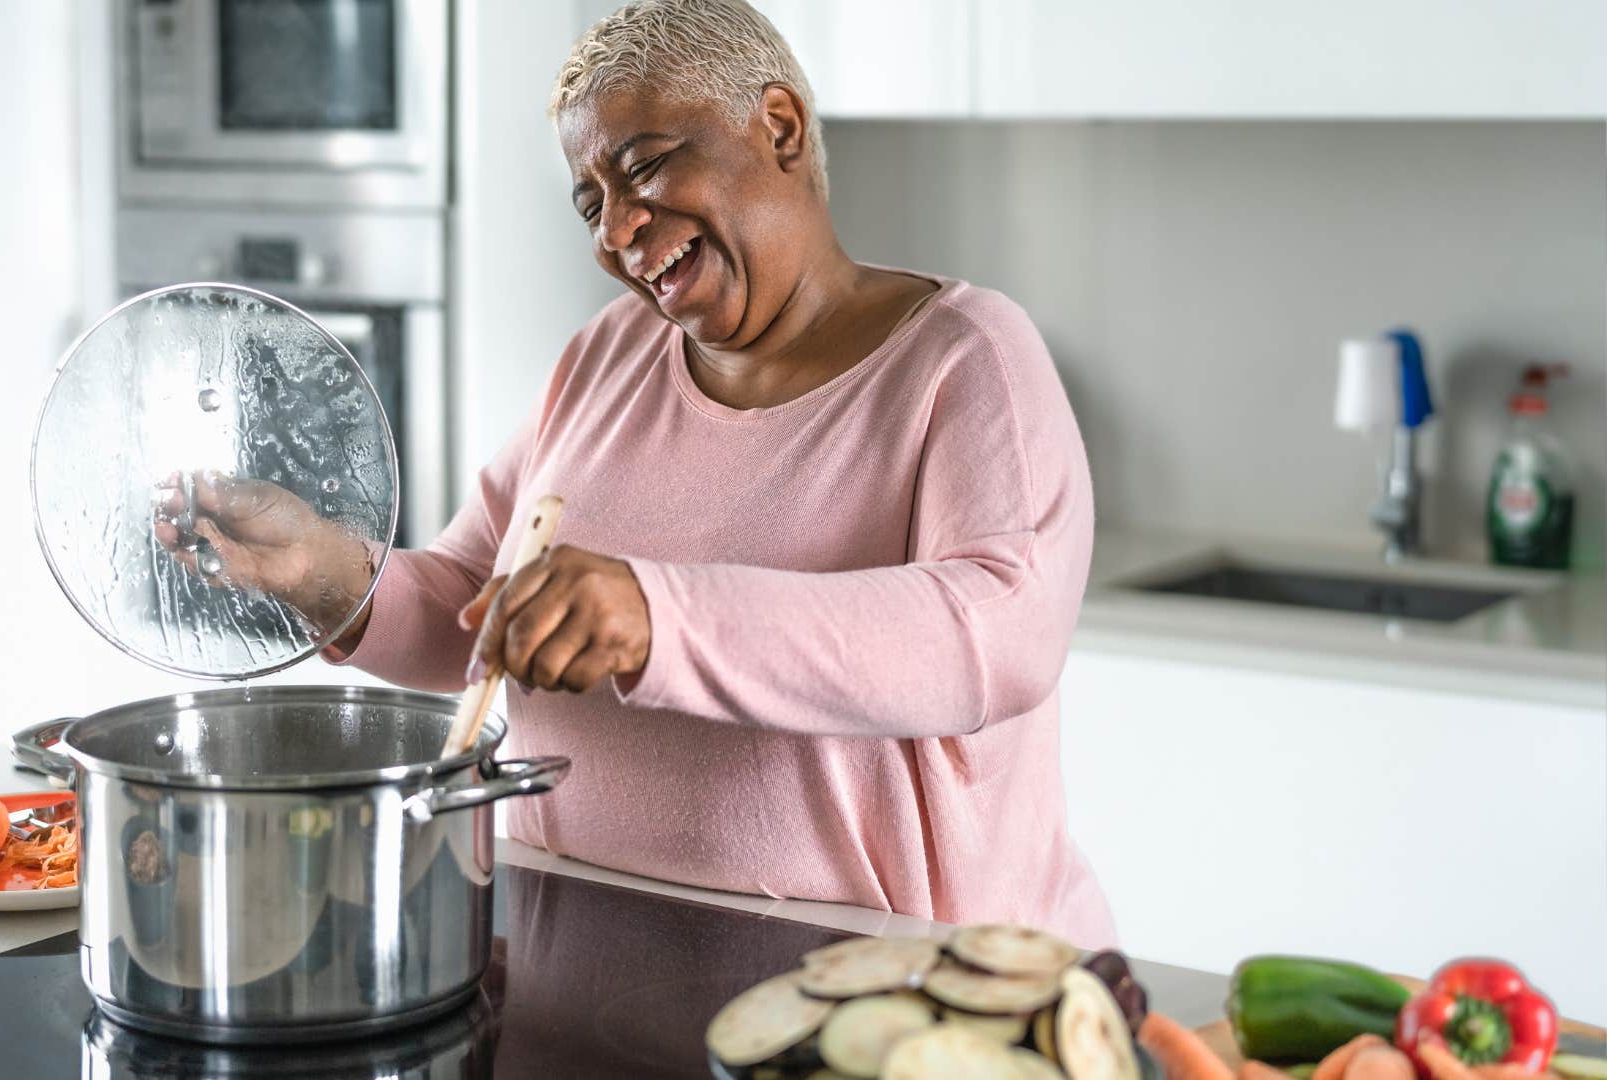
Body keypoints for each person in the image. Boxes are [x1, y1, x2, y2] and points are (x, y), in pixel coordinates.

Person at [156, 0, 1112, 945]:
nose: (617, 230)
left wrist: (661, 619)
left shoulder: (962, 357)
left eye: (646, 165)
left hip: (882, 989)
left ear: (777, 127)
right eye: (591, 204)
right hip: (573, 949)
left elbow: (996, 634)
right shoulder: (606, 356)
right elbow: (476, 608)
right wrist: (328, 575)